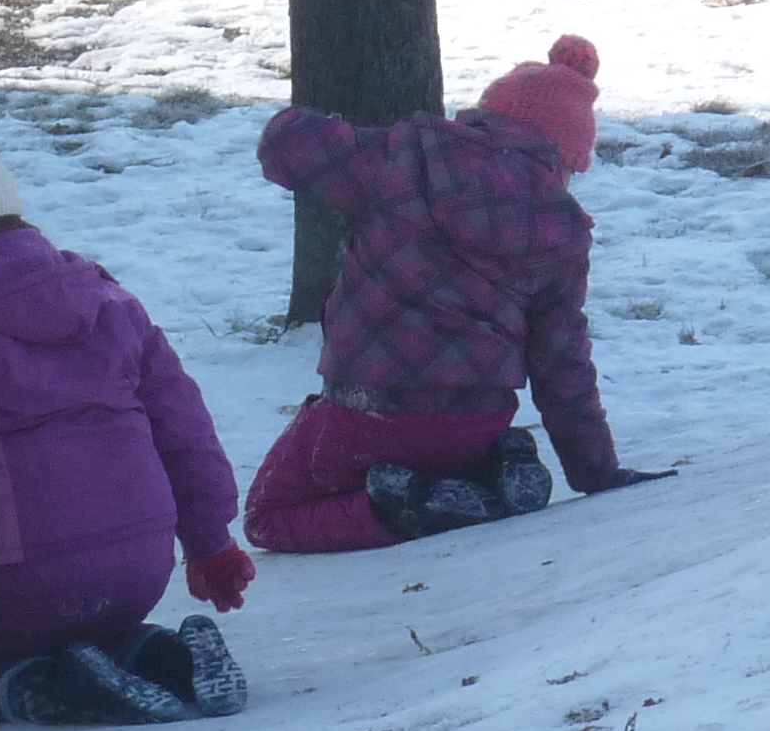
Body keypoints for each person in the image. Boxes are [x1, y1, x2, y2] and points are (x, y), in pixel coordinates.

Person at [0, 138, 254, 726]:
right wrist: (209, 541)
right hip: (143, 566)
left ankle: (51, 685)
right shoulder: (111, 302)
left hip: (28, 576)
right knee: (109, 629)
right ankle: (169, 658)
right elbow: (184, 428)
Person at [246, 33, 662, 553]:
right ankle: (493, 471)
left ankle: (412, 509)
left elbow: (285, 145)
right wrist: (597, 472)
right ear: (563, 157)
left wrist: (317, 126)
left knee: (269, 514)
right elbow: (562, 364)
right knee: (437, 455)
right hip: (475, 423)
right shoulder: (562, 227)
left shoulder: (406, 157)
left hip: (367, 411)